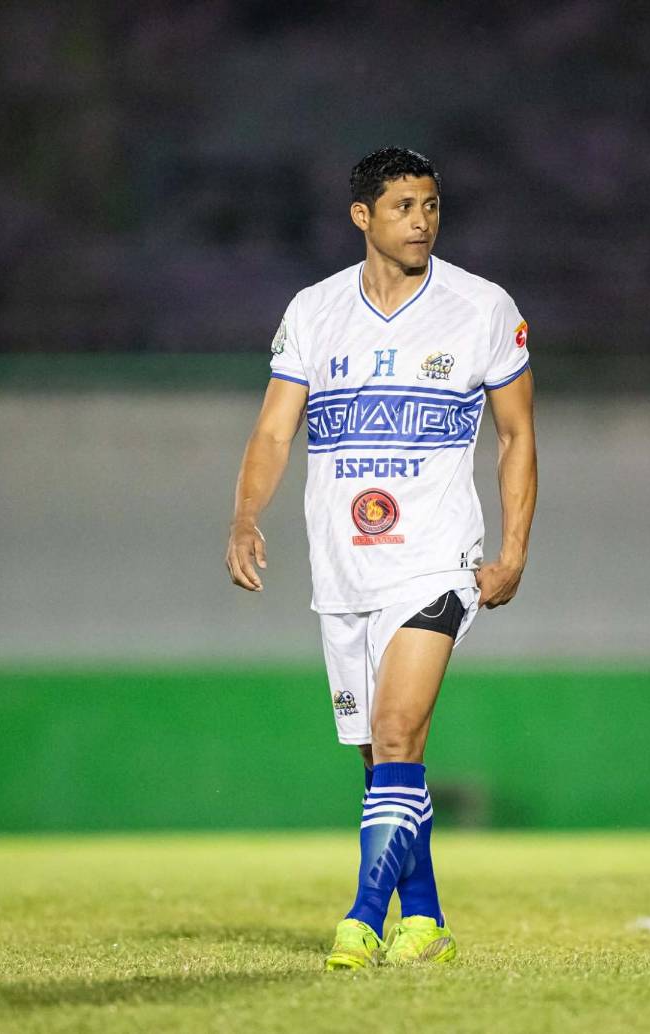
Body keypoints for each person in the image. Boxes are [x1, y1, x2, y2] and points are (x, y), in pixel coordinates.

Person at [225, 147, 537, 968]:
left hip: (436, 562)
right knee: (382, 760)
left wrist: (513, 550)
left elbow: (515, 436)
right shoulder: (316, 311)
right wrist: (245, 516)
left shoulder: (481, 307)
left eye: (431, 205)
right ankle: (426, 919)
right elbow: (272, 430)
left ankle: (362, 921)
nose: (422, 222)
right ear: (362, 216)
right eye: (403, 207)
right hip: (344, 570)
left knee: (398, 734)